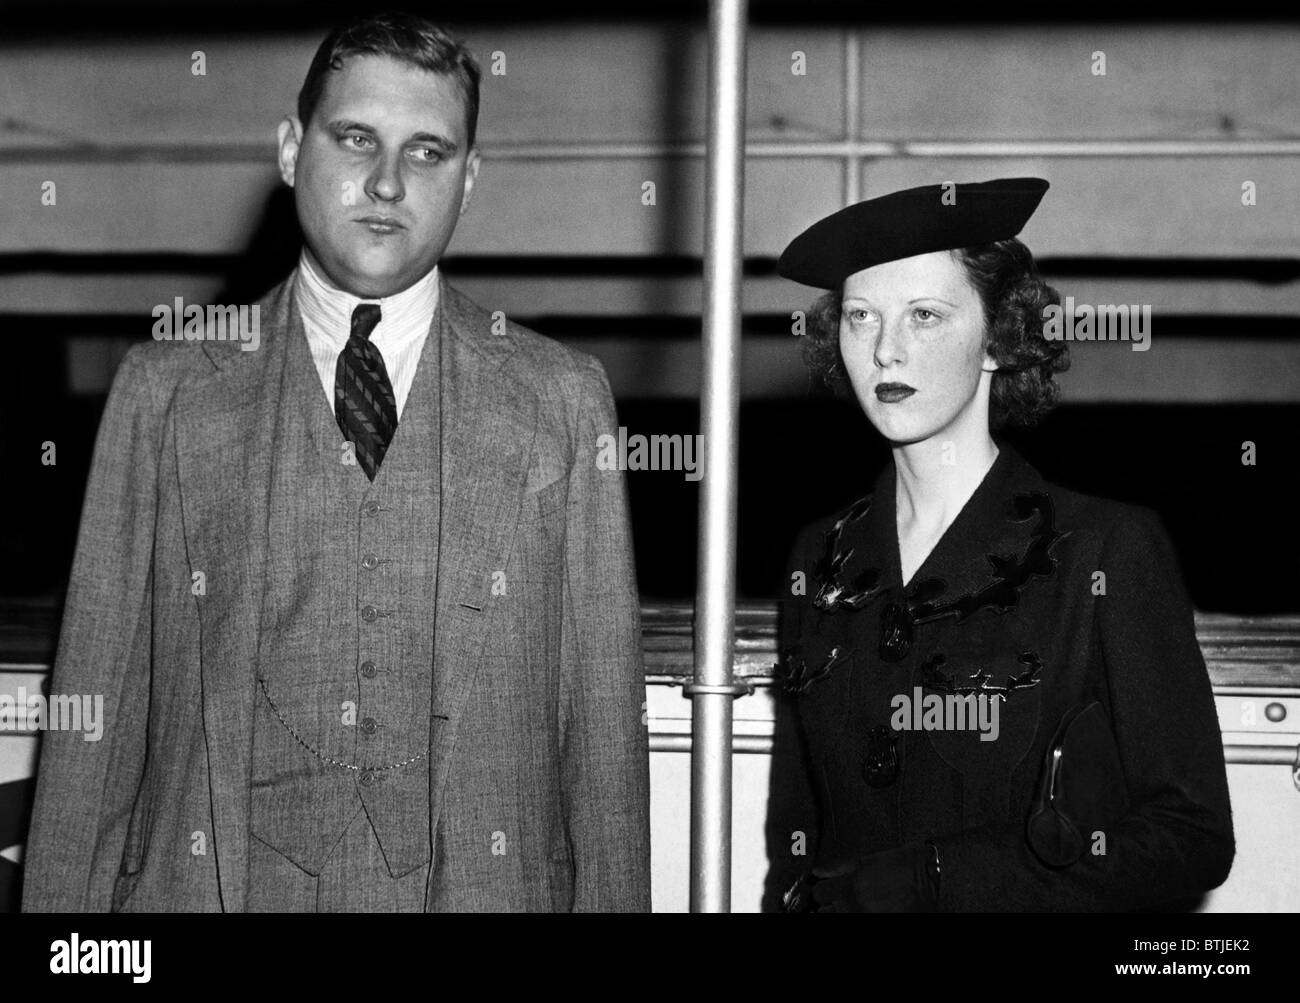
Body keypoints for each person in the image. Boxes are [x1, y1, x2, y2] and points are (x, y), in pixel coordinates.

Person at [22, 12, 650, 912]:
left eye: (428, 152)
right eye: (355, 137)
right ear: (289, 150)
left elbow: (603, 746)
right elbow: (95, 719)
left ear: (469, 181)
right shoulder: (164, 390)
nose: (388, 182)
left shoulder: (560, 398)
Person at [767, 178, 1234, 911]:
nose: (886, 350)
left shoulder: (1102, 552)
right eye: (861, 316)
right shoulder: (819, 557)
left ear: (999, 340)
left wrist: (937, 880)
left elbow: (1192, 833)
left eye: (925, 315)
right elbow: (796, 834)